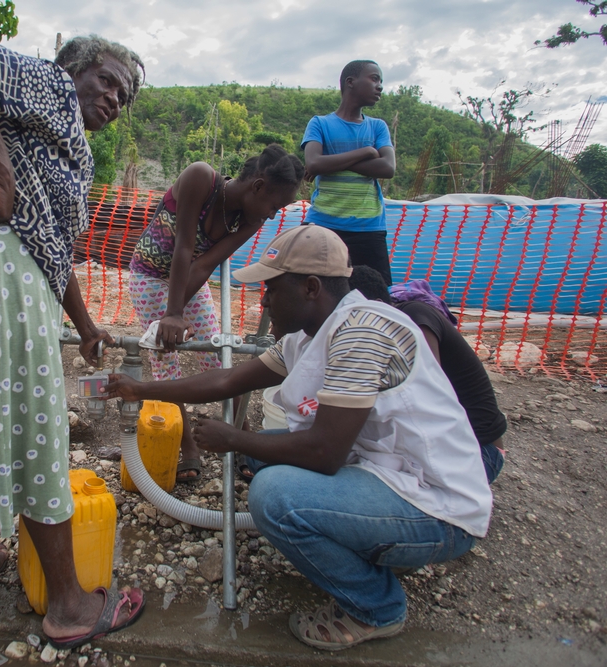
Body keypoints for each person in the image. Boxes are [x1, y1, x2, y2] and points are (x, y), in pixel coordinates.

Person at [105, 225, 492, 651]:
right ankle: (363, 543)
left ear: (311, 287)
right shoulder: (311, 335)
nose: (265, 301)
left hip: (436, 506)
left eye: (271, 289)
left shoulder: (362, 331)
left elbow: (324, 454)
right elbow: (228, 379)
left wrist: (234, 438)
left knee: (273, 495)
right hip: (389, 474)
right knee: (268, 458)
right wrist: (140, 390)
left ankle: (377, 607)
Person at [0, 34, 146, 648]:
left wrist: (86, 328)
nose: (114, 98)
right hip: (0, 274)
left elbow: (50, 247)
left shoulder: (58, 138)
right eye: (107, 80)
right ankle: (71, 606)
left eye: (123, 96)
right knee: (31, 428)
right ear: (73, 69)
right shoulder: (49, 87)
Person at [128, 145, 304, 482]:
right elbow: (183, 246)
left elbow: (204, 264)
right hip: (149, 275)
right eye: (273, 205)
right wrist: (171, 315)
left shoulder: (248, 221)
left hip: (190, 278)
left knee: (218, 355)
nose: (271, 215)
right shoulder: (200, 178)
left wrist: (177, 312)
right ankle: (187, 446)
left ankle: (242, 439)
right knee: (167, 359)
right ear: (257, 186)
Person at [348, 265, 506, 483]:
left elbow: (423, 392)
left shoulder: (415, 317)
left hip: (479, 454)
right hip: (448, 449)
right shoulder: (393, 322)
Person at [302, 60, 396, 284]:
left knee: (376, 298)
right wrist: (366, 151)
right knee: (311, 293)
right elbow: (313, 163)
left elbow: (387, 168)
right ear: (350, 82)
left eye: (381, 81)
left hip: (369, 228)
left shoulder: (377, 126)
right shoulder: (319, 124)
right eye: (374, 79)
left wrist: (331, 162)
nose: (380, 86)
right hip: (322, 226)